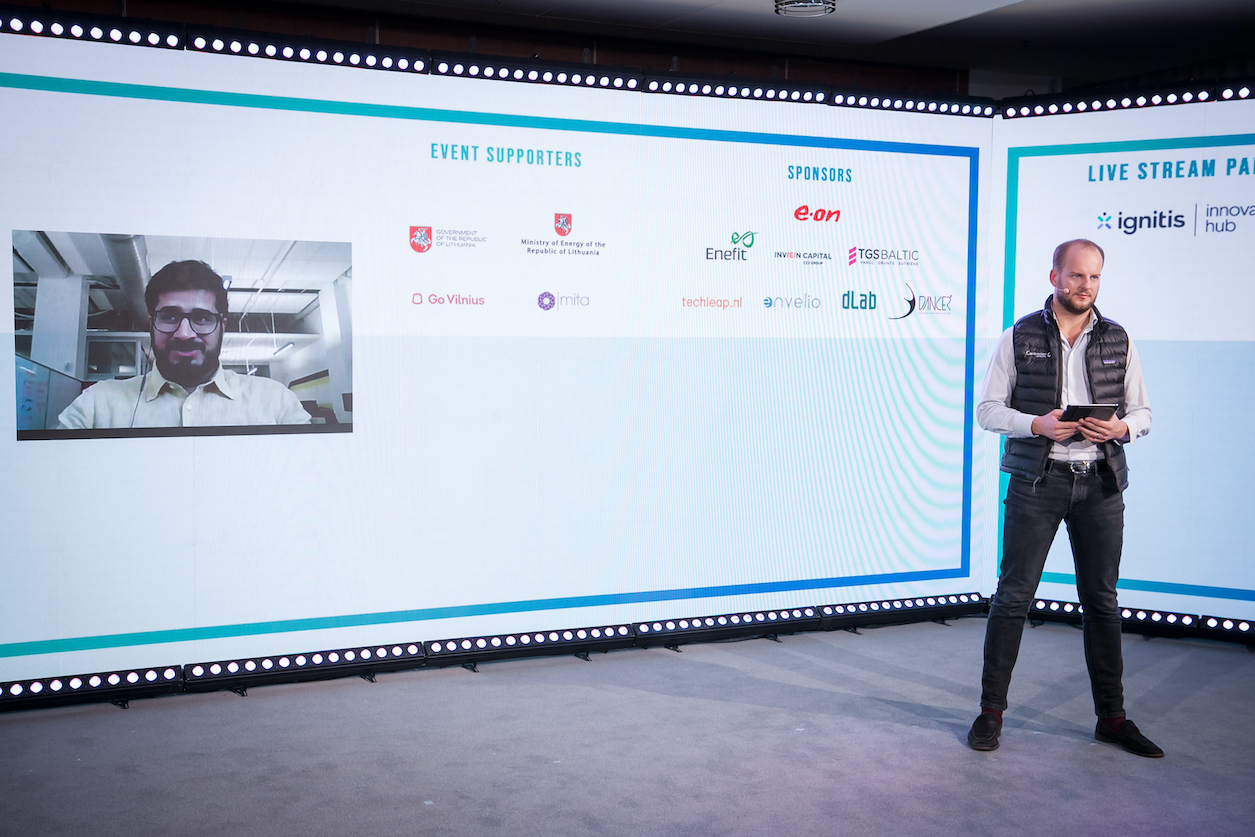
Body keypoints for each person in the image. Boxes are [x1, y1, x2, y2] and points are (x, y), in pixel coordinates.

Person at [968, 239, 1161, 757]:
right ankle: (990, 713)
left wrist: (1121, 428)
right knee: (1013, 597)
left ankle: (1112, 718)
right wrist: (1037, 424)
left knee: (1102, 602)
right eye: (1076, 275)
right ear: (1054, 277)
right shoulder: (1019, 336)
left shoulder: (1118, 338)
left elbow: (1143, 412)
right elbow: (987, 411)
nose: (1085, 286)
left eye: (1094, 277)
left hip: (1101, 484)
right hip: (1038, 482)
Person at [58, 260, 311, 429]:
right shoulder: (95, 406)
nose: (184, 334)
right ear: (151, 324)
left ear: (222, 326)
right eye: (169, 317)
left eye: (201, 318)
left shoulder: (277, 403)